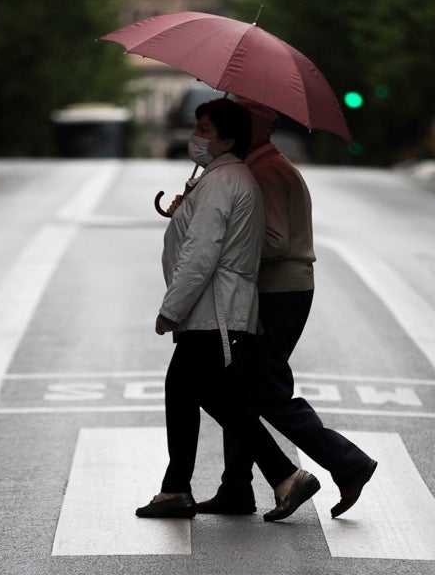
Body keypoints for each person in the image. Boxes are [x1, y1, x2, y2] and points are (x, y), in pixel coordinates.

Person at [136, 98, 321, 522]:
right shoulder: (222, 179)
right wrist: (187, 207)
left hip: (213, 312)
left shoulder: (224, 182)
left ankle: (285, 474)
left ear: (228, 139)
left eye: (204, 129)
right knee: (189, 392)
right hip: (217, 310)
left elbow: (201, 254)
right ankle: (176, 488)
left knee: (216, 398)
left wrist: (171, 309)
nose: (195, 136)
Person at [193, 97, 378, 520]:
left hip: (279, 292)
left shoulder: (266, 171)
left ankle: (348, 462)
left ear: (252, 130)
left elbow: (274, 241)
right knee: (241, 386)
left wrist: (219, 246)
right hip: (279, 291)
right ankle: (236, 488)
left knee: (264, 391)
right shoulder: (262, 167)